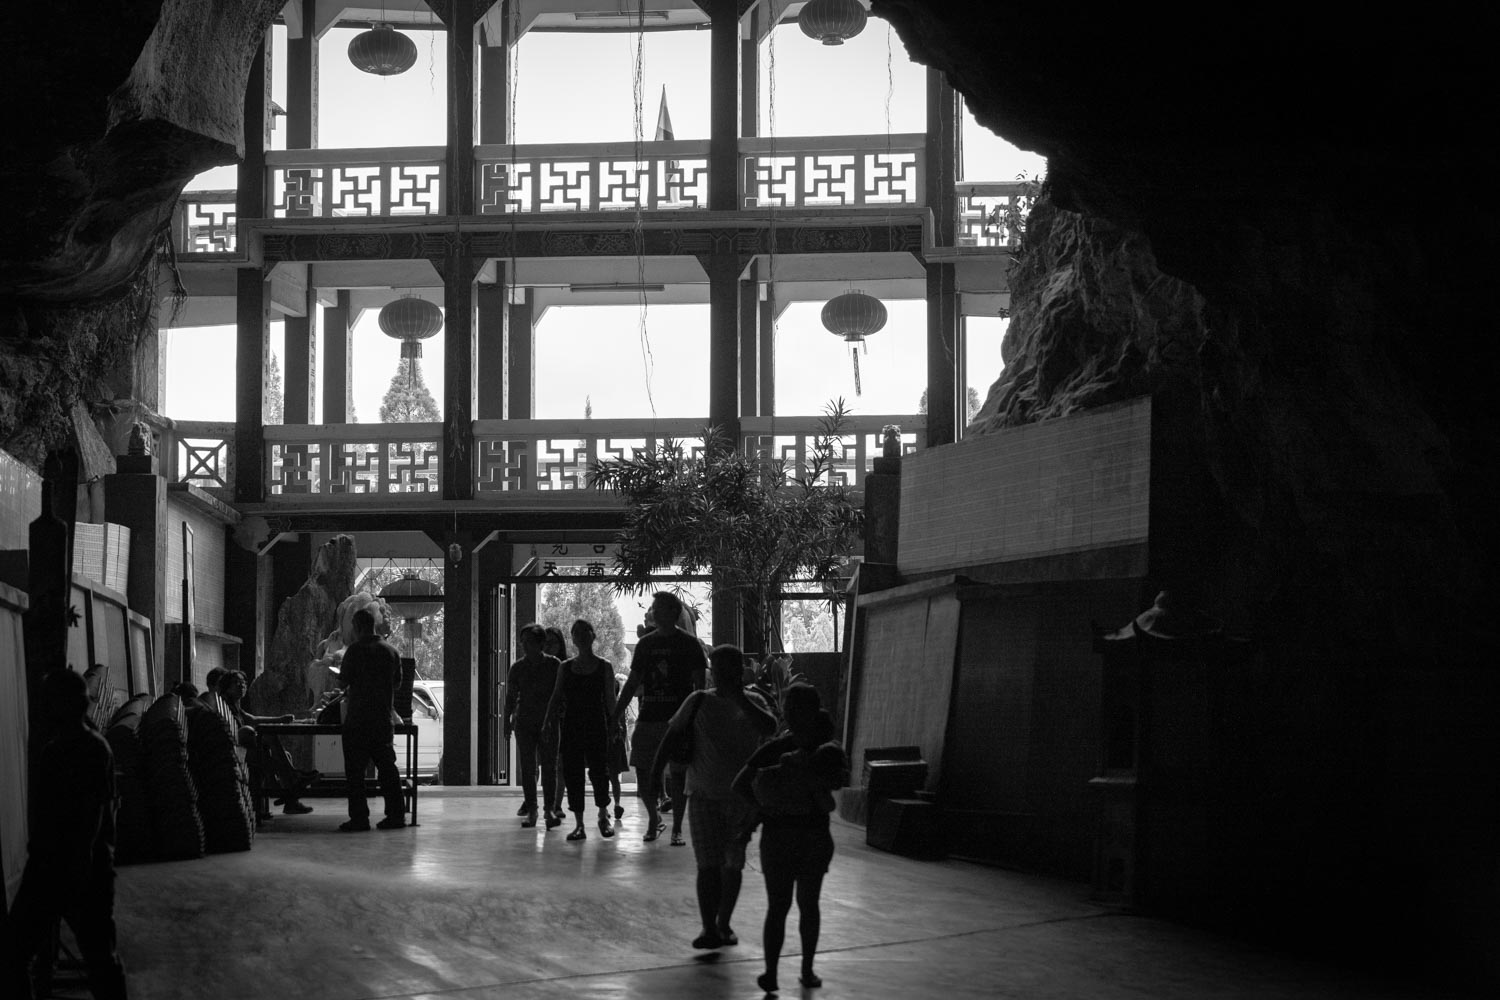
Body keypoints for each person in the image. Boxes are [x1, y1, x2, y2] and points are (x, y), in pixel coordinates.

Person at [11, 668, 129, 999]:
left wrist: (73, 874)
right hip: (67, 869)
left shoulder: (81, 750)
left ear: (64, 705)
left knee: (97, 960)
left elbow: (88, 823)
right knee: (99, 961)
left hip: (75, 871)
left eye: (49, 701)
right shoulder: (75, 747)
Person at [653, 644, 775, 951]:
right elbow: (670, 736)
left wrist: (740, 700)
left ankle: (724, 924)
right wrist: (656, 773)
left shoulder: (755, 701)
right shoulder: (698, 701)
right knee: (708, 865)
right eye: (716, 669)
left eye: (727, 669)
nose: (720, 675)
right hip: (704, 795)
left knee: (732, 865)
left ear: (739, 671)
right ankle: (709, 927)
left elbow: (770, 727)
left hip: (741, 798)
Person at [732, 682, 848, 992]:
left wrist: (765, 807)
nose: (791, 713)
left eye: (795, 708)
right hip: (807, 837)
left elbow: (740, 784)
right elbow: (834, 788)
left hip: (785, 837)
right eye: (789, 707)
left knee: (785, 906)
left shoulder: (783, 749)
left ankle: (778, 973)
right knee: (802, 905)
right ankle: (800, 972)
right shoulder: (826, 749)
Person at [612, 591, 706, 842]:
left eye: (657, 607)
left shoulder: (689, 644)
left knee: (678, 773)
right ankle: (654, 819)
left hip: (679, 719)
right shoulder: (645, 644)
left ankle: (676, 828)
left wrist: (694, 718)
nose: (652, 611)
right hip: (649, 716)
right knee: (642, 769)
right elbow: (632, 683)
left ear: (673, 613)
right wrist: (616, 713)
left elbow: (701, 685)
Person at [542, 619, 618, 841]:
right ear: (573, 639)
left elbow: (611, 701)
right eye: (577, 633)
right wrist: (548, 722)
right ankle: (579, 824)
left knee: (599, 773)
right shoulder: (565, 667)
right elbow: (556, 698)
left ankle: (604, 816)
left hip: (596, 724)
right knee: (573, 774)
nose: (581, 636)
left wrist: (616, 725)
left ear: (593, 636)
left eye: (585, 632)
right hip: (572, 725)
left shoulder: (604, 666)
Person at [337, 608, 406, 832]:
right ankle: (396, 815)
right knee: (388, 768)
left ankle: (359, 818)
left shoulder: (354, 651)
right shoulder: (391, 651)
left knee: (355, 773)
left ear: (357, 627)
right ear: (374, 625)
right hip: (382, 719)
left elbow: (342, 682)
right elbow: (397, 684)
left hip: (357, 720)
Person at [215, 669, 315, 817]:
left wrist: (280, 719)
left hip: (246, 748)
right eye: (236, 683)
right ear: (227, 686)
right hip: (237, 752)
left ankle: (291, 791)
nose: (241, 686)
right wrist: (279, 720)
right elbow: (243, 729)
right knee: (269, 740)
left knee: (282, 752)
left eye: (243, 683)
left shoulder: (234, 704)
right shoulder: (224, 704)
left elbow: (252, 719)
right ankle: (292, 786)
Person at [503, 624, 561, 829]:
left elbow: (560, 696)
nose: (525, 646)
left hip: (549, 723)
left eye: (529, 642)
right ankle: (533, 810)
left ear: (541, 643)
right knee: (527, 769)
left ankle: (549, 810)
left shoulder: (554, 665)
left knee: (549, 768)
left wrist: (556, 719)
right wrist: (506, 721)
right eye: (523, 642)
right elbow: (510, 697)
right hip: (525, 723)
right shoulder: (517, 667)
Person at [540, 626, 570, 824]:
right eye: (547, 642)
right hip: (542, 720)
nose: (550, 647)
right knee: (543, 765)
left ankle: (556, 804)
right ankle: (538, 802)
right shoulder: (538, 666)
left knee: (560, 766)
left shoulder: (566, 667)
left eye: (554, 642)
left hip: (563, 720)